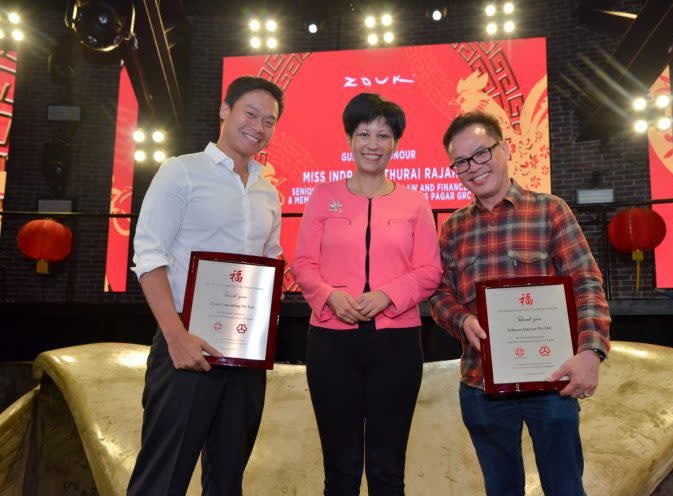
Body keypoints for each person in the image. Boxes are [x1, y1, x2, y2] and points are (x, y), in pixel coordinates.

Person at [429, 111, 611, 496]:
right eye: (460, 162)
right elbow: (439, 294)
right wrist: (461, 321)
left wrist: (591, 351)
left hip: (552, 383)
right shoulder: (452, 229)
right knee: (500, 489)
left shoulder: (550, 210)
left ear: (506, 149)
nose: (473, 168)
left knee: (564, 488)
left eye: (481, 153)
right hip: (481, 386)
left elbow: (586, 281)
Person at [128, 76, 284, 495]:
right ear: (225, 111)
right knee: (163, 475)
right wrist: (174, 336)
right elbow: (149, 257)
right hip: (186, 342)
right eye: (250, 114)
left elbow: (269, 261)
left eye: (269, 121)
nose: (258, 126)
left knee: (227, 477)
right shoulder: (181, 171)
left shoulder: (269, 193)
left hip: (244, 354)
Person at [291, 93, 442, 495]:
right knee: (339, 470)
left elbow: (430, 271)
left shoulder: (416, 202)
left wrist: (388, 296)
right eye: (363, 133)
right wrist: (330, 296)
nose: (372, 143)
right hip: (330, 342)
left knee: (387, 468)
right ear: (349, 139)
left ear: (396, 143)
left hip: (396, 342)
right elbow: (303, 264)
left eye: (383, 134)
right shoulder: (322, 197)